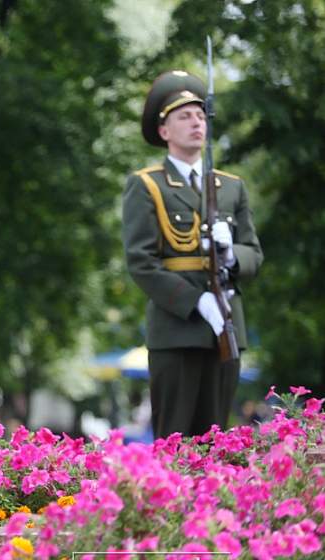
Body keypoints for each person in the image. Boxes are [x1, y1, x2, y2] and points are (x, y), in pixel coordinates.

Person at [122, 70, 262, 440]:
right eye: (184, 116)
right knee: (175, 441)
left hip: (226, 325)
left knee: (219, 439)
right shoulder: (147, 185)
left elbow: (254, 254)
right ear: (164, 131)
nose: (196, 122)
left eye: (200, 115)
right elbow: (141, 262)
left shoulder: (231, 187)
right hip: (176, 328)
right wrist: (196, 301)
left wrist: (230, 253)